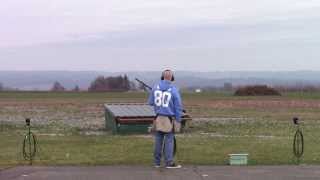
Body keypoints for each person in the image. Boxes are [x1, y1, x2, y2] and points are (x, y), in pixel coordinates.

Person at [148, 69, 183, 169]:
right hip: (169, 119)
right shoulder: (174, 89)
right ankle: (169, 162)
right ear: (172, 78)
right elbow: (178, 107)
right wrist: (178, 119)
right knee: (169, 141)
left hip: (158, 117)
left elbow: (150, 102)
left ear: (162, 76)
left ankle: (157, 162)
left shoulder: (155, 87)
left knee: (158, 140)